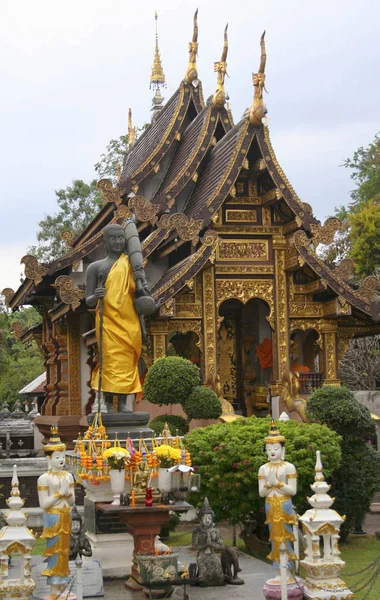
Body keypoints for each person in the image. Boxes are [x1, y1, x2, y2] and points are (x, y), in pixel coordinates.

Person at [86, 222, 157, 413]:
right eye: (113, 238)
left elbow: (142, 294)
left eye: (120, 238)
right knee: (109, 360)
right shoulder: (95, 267)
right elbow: (89, 301)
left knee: (127, 362)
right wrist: (97, 295)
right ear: (105, 241)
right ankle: (107, 402)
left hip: (129, 322)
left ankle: (126, 403)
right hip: (108, 321)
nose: (117, 242)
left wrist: (143, 289)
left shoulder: (132, 266)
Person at [37, 425, 75, 599]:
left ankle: (63, 586)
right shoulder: (44, 478)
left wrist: (67, 494)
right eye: (57, 457)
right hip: (52, 516)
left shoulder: (68, 476)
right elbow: (44, 503)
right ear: (48, 459)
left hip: (66, 514)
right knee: (54, 551)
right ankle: (54, 590)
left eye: (63, 456)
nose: (61, 460)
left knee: (65, 552)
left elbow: (73, 501)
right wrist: (61, 493)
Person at [258, 420, 297, 583]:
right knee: (274, 536)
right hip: (270, 504)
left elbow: (293, 491)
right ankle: (278, 570)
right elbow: (261, 492)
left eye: (276, 449)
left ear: (283, 450)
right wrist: (269, 483)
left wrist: (278, 483)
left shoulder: (289, 467)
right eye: (269, 449)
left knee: (285, 535)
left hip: (284, 503)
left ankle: (288, 570)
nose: (272, 452)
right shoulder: (263, 469)